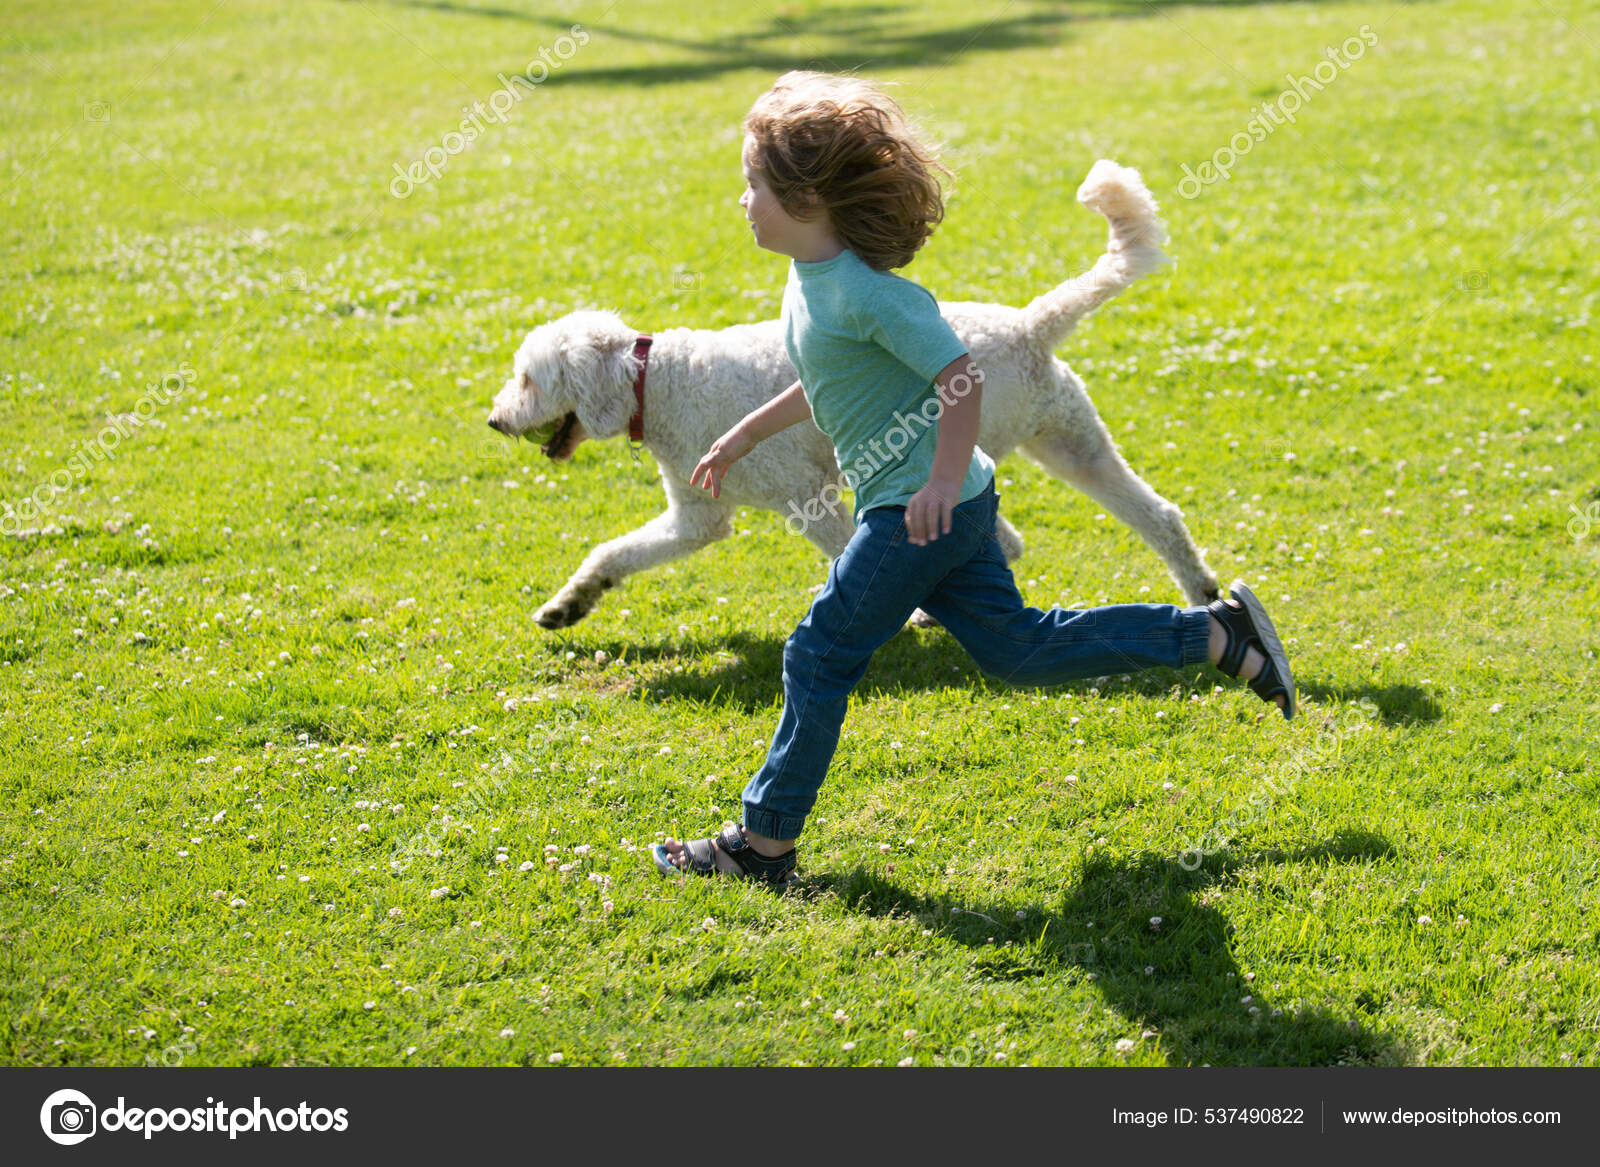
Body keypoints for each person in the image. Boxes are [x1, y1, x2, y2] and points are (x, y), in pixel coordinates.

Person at [653, 71, 1294, 886]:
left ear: (809, 197)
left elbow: (959, 377)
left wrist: (937, 482)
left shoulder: (866, 292)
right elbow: (825, 376)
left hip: (916, 514)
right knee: (1018, 651)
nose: (742, 200)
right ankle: (1217, 634)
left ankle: (761, 845)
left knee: (818, 654)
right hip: (944, 506)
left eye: (753, 184)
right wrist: (740, 433)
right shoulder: (812, 281)